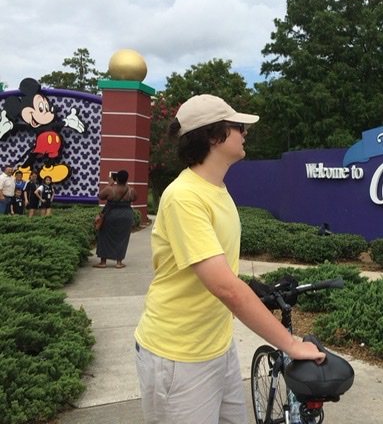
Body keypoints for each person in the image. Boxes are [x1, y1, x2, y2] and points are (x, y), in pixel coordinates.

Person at [133, 95, 325, 424]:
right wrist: (290, 345)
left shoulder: (217, 189)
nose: (245, 132)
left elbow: (220, 271)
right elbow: (225, 288)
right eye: (238, 126)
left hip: (218, 348)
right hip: (179, 355)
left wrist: (253, 286)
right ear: (212, 135)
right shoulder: (185, 197)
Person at [94, 169, 138, 269]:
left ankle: (103, 262)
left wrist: (109, 184)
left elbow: (101, 196)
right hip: (126, 216)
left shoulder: (110, 189)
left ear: (116, 178)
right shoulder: (131, 190)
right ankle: (119, 262)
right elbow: (135, 198)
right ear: (127, 179)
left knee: (104, 236)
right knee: (122, 238)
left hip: (111, 215)